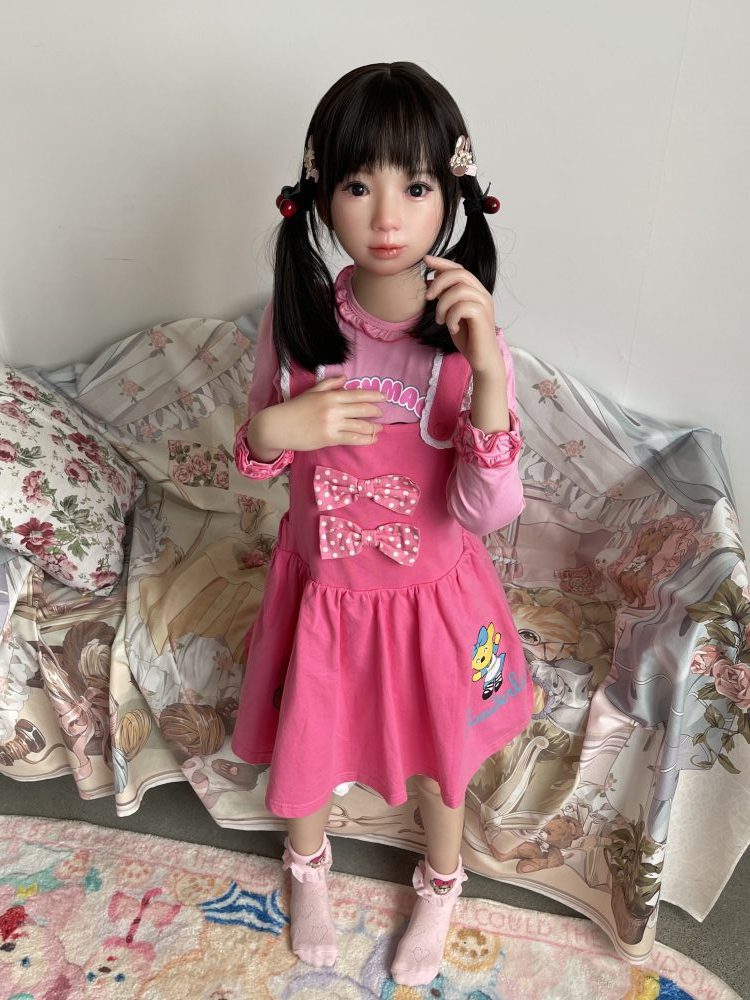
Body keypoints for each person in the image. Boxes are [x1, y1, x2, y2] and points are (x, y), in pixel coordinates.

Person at [232, 61, 532, 987]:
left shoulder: (465, 340)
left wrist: (488, 378)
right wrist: (280, 429)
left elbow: (490, 509)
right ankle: (306, 870)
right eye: (360, 186)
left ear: (453, 195)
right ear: (321, 193)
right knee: (307, 747)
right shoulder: (299, 322)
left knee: (443, 765)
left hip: (430, 602)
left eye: (417, 186)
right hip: (325, 594)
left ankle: (442, 883)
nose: (388, 217)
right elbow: (254, 449)